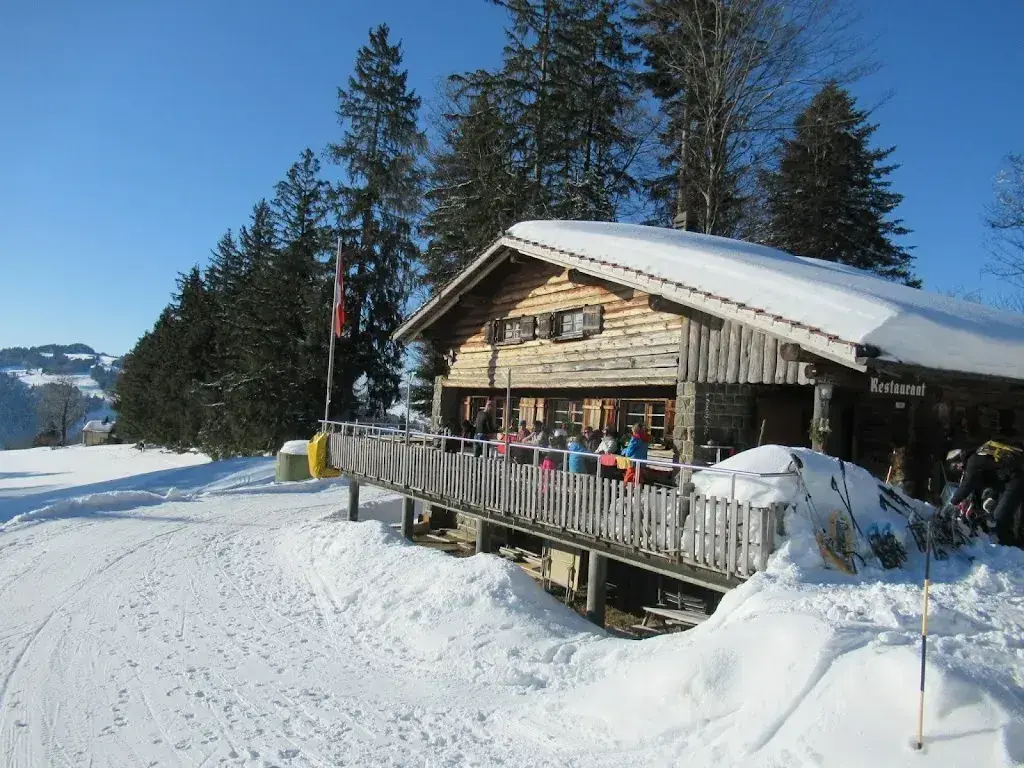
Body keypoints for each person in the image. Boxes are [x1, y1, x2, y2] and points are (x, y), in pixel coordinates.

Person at [949, 438, 1024, 546]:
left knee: (998, 519)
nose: (959, 468)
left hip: (1014, 482)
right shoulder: (980, 457)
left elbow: (967, 485)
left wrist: (952, 502)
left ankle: (1009, 549)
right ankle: (1014, 546)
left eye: (956, 465)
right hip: (1011, 482)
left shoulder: (973, 461)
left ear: (959, 461)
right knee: (1009, 517)